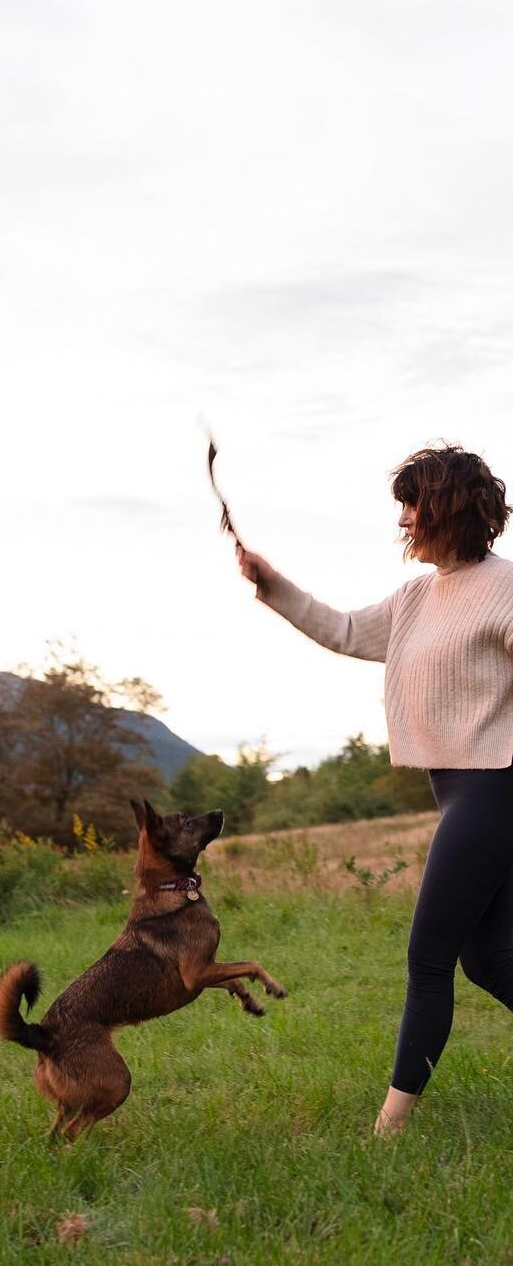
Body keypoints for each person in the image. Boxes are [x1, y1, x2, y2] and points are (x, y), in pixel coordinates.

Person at [236, 443, 513, 1137]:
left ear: (446, 508)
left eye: (412, 505)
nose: (404, 520)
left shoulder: (505, 590)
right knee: (486, 958)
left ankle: (388, 1129)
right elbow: (345, 630)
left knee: (428, 958)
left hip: (496, 789)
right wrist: (271, 583)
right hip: (457, 791)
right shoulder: (417, 598)